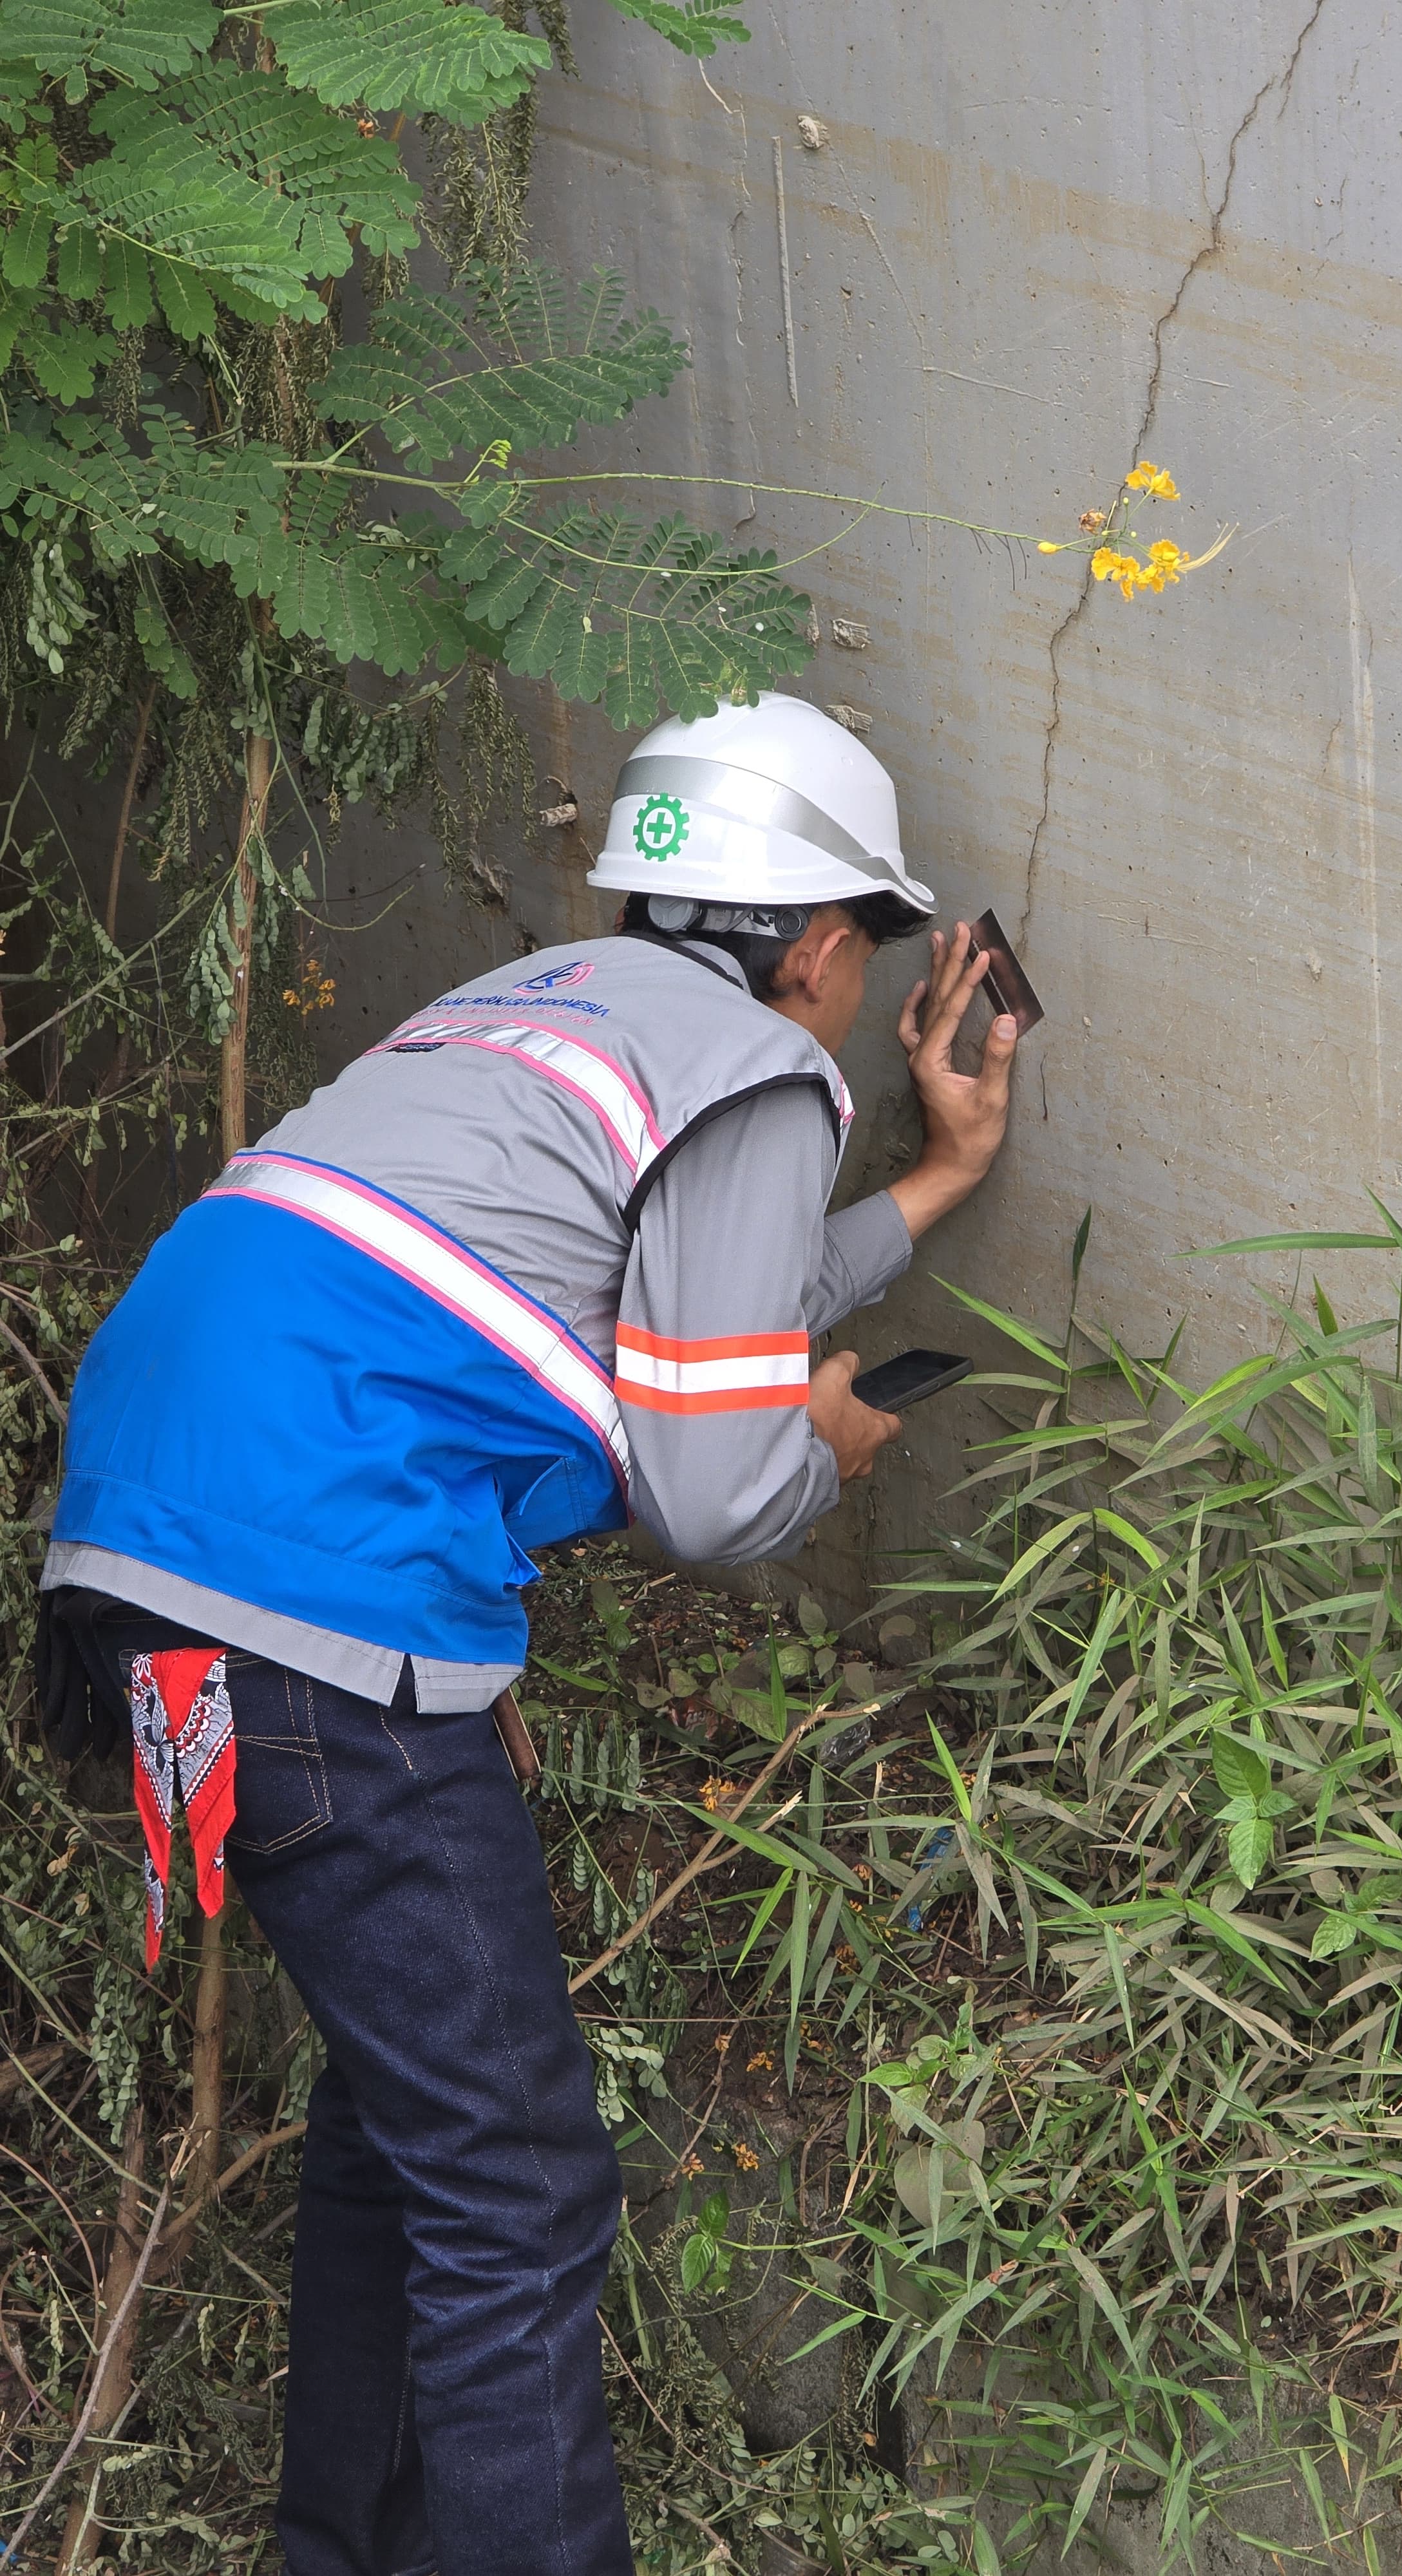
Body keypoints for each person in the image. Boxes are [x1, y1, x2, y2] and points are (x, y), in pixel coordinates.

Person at [35, 690, 1018, 2576]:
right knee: (518, 2192)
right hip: (320, 1579)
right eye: (861, 953)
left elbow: (684, 1316)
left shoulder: (540, 1006)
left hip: (162, 1553)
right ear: (817, 946)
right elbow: (715, 1485)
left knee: (409, 2141)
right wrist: (827, 1449)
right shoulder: (746, 1065)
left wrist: (931, 1184)